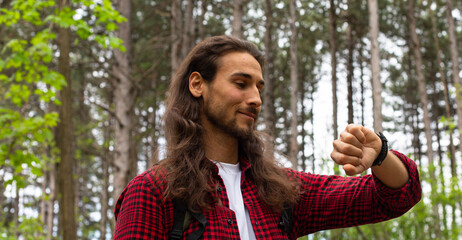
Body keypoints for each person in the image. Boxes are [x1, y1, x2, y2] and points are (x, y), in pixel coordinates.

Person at [113, 35, 421, 240]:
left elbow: (394, 197)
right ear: (197, 85)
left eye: (259, 87)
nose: (256, 98)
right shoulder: (154, 191)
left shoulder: (280, 191)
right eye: (241, 83)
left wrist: (380, 153)